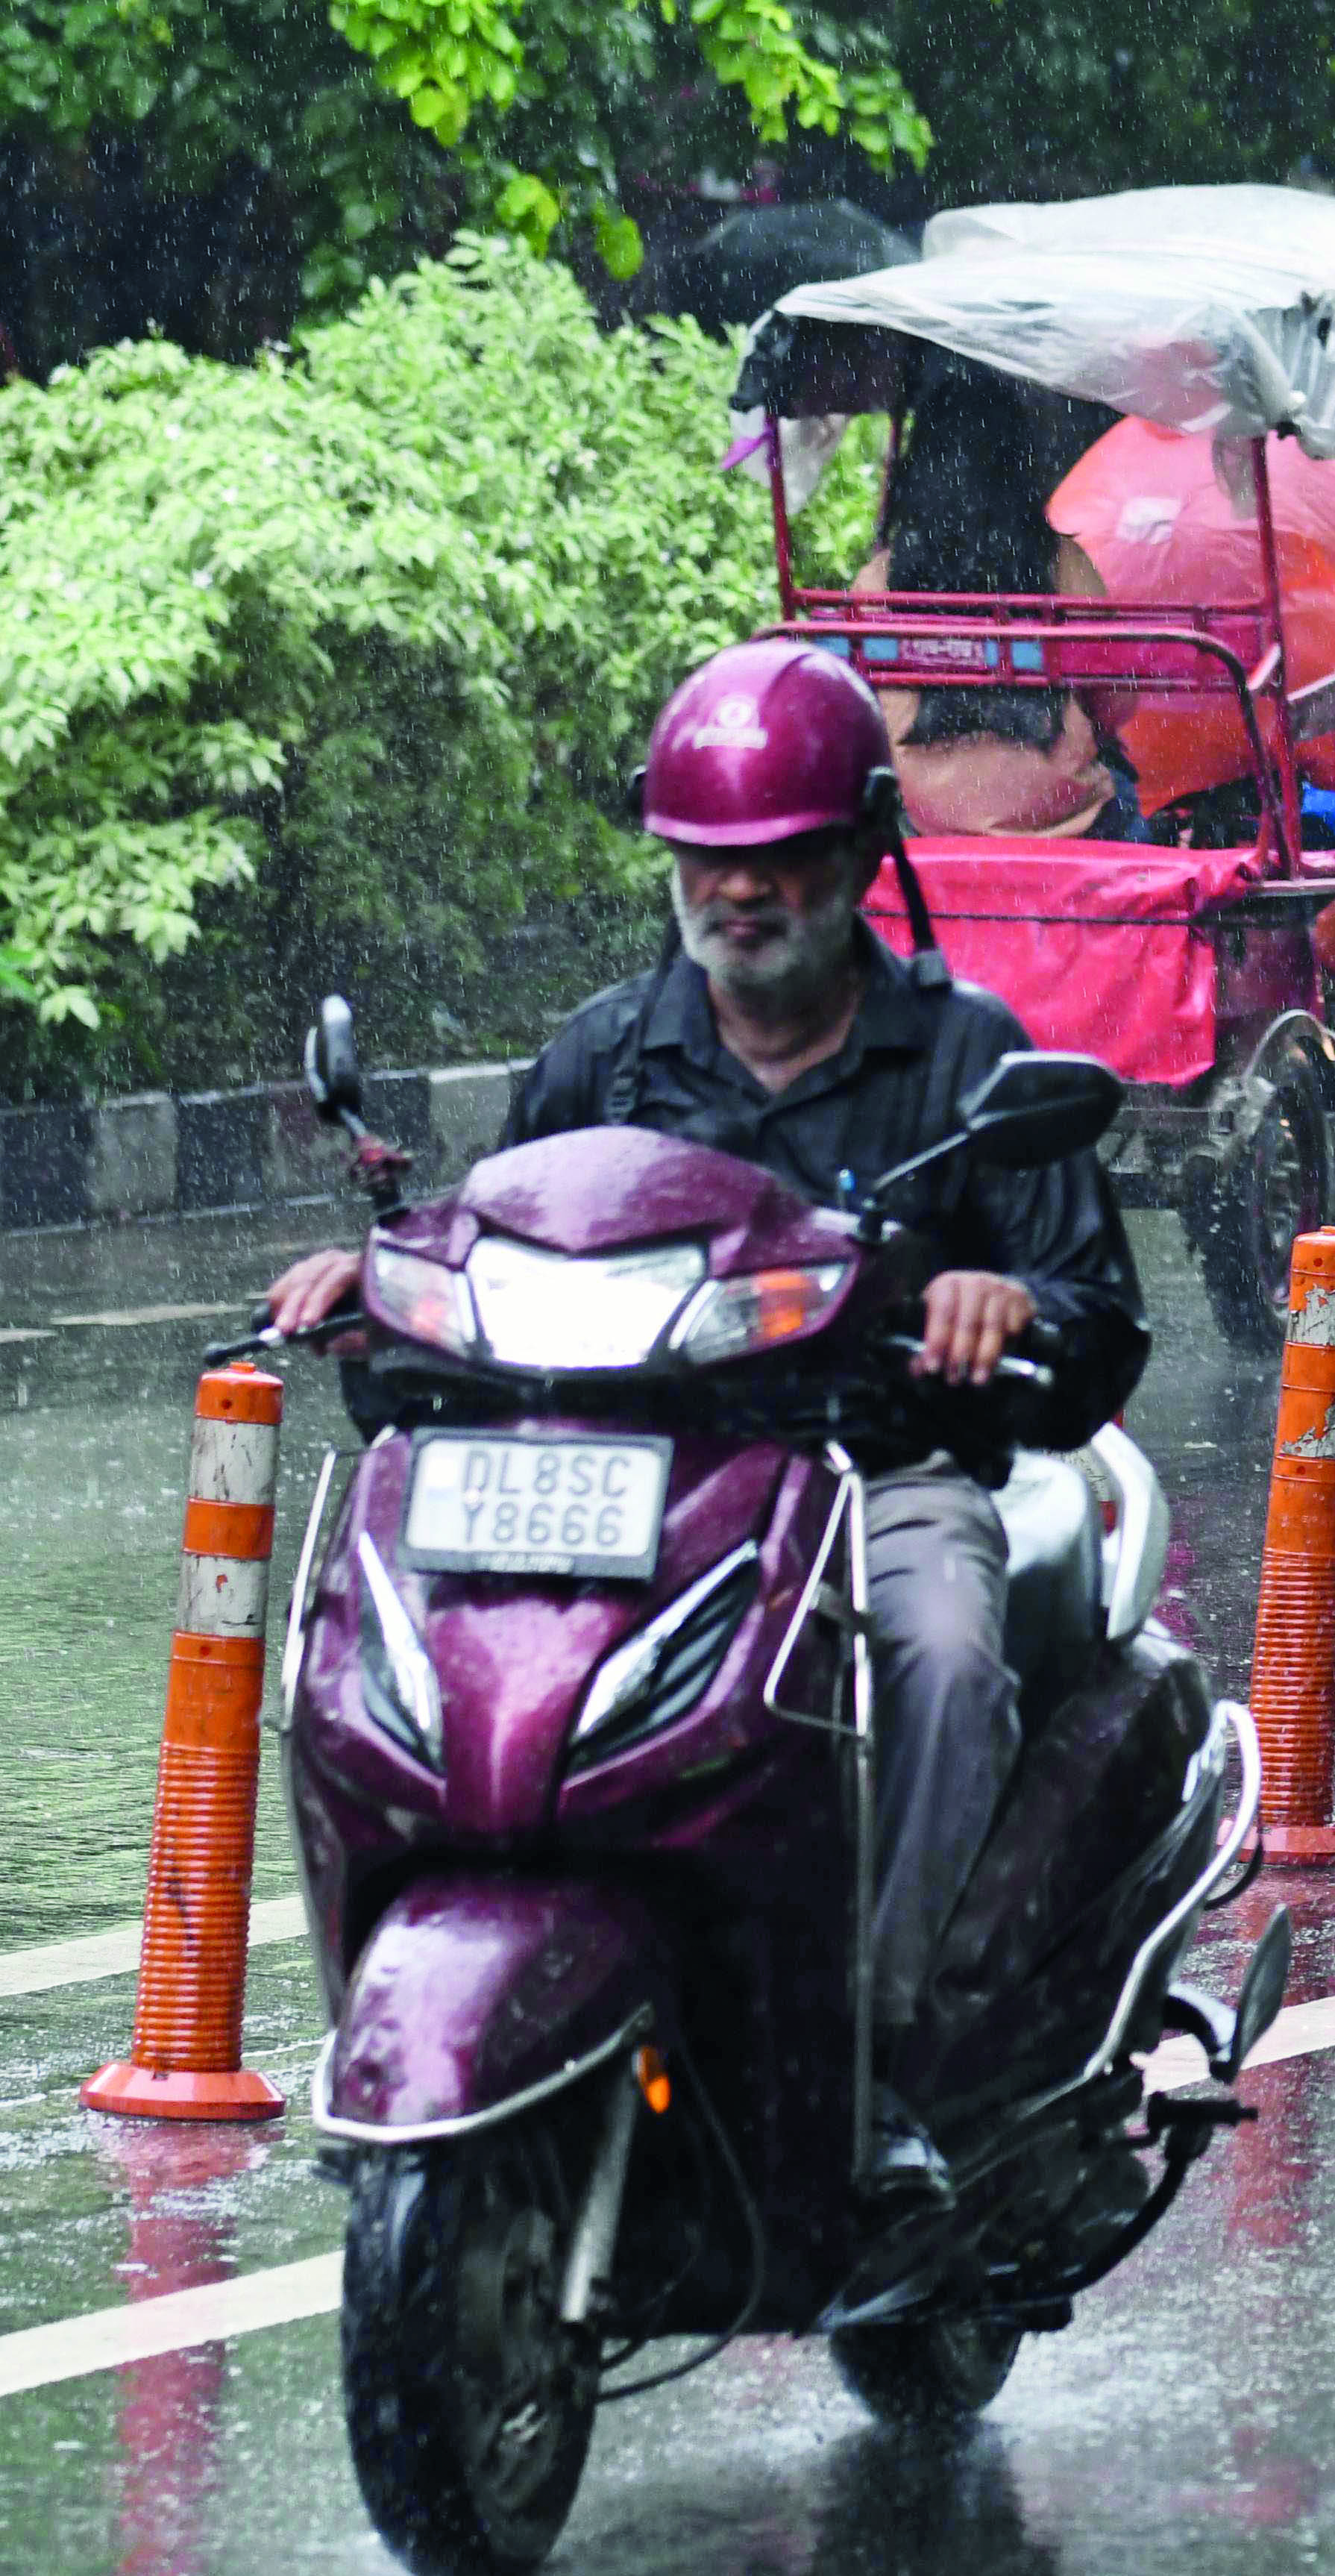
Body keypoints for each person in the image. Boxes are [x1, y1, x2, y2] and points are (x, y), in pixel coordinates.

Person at [267, 637, 1150, 2197]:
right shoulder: (606, 1057)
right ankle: (415, 2006)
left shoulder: (967, 1055)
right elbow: (490, 1266)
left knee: (942, 1656)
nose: (742, 893)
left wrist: (1002, 1309)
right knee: (380, 1634)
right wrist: (385, 1286)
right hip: (630, 1494)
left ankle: (877, 2059)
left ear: (865, 852)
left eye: (785, 860)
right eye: (708, 861)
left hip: (872, 1474)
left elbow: (1094, 1324)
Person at [852, 360, 1144, 841]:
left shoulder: (879, 581)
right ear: (1019, 472)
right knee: (1124, 783)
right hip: (1062, 816)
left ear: (919, 474)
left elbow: (865, 715)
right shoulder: (1064, 566)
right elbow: (1115, 703)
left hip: (929, 818)